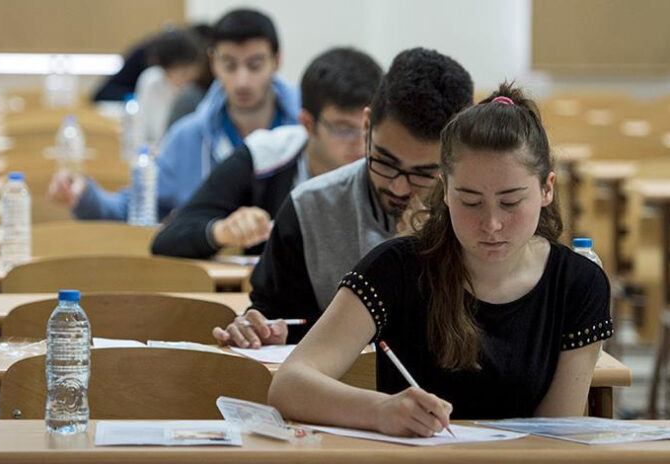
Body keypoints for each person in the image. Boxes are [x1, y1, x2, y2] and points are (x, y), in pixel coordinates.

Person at [268, 84, 612, 435]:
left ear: (546, 189)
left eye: (510, 202)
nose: (491, 224)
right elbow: (289, 385)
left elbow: (555, 434)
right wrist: (380, 410)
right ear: (444, 189)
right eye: (470, 201)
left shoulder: (579, 283)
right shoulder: (396, 268)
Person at [213, 47, 473, 347]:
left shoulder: (485, 221)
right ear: (366, 126)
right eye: (385, 162)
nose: (400, 188)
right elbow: (278, 315)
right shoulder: (309, 208)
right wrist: (257, 329)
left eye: (424, 173)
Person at [49, 9, 300, 221]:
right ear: (212, 62)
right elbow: (135, 209)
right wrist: (84, 195)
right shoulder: (188, 137)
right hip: (210, 276)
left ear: (277, 61)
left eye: (255, 65)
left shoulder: (306, 131)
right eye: (230, 65)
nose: (242, 80)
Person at [151, 47, 383, 259]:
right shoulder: (265, 156)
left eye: (368, 128)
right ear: (307, 124)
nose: (361, 142)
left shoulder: (391, 169)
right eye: (343, 129)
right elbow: (169, 239)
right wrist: (222, 230)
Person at [134, 27, 204, 145]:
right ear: (164, 69)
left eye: (189, 71)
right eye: (181, 72)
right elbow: (139, 130)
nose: (186, 78)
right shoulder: (151, 80)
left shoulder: (197, 91)